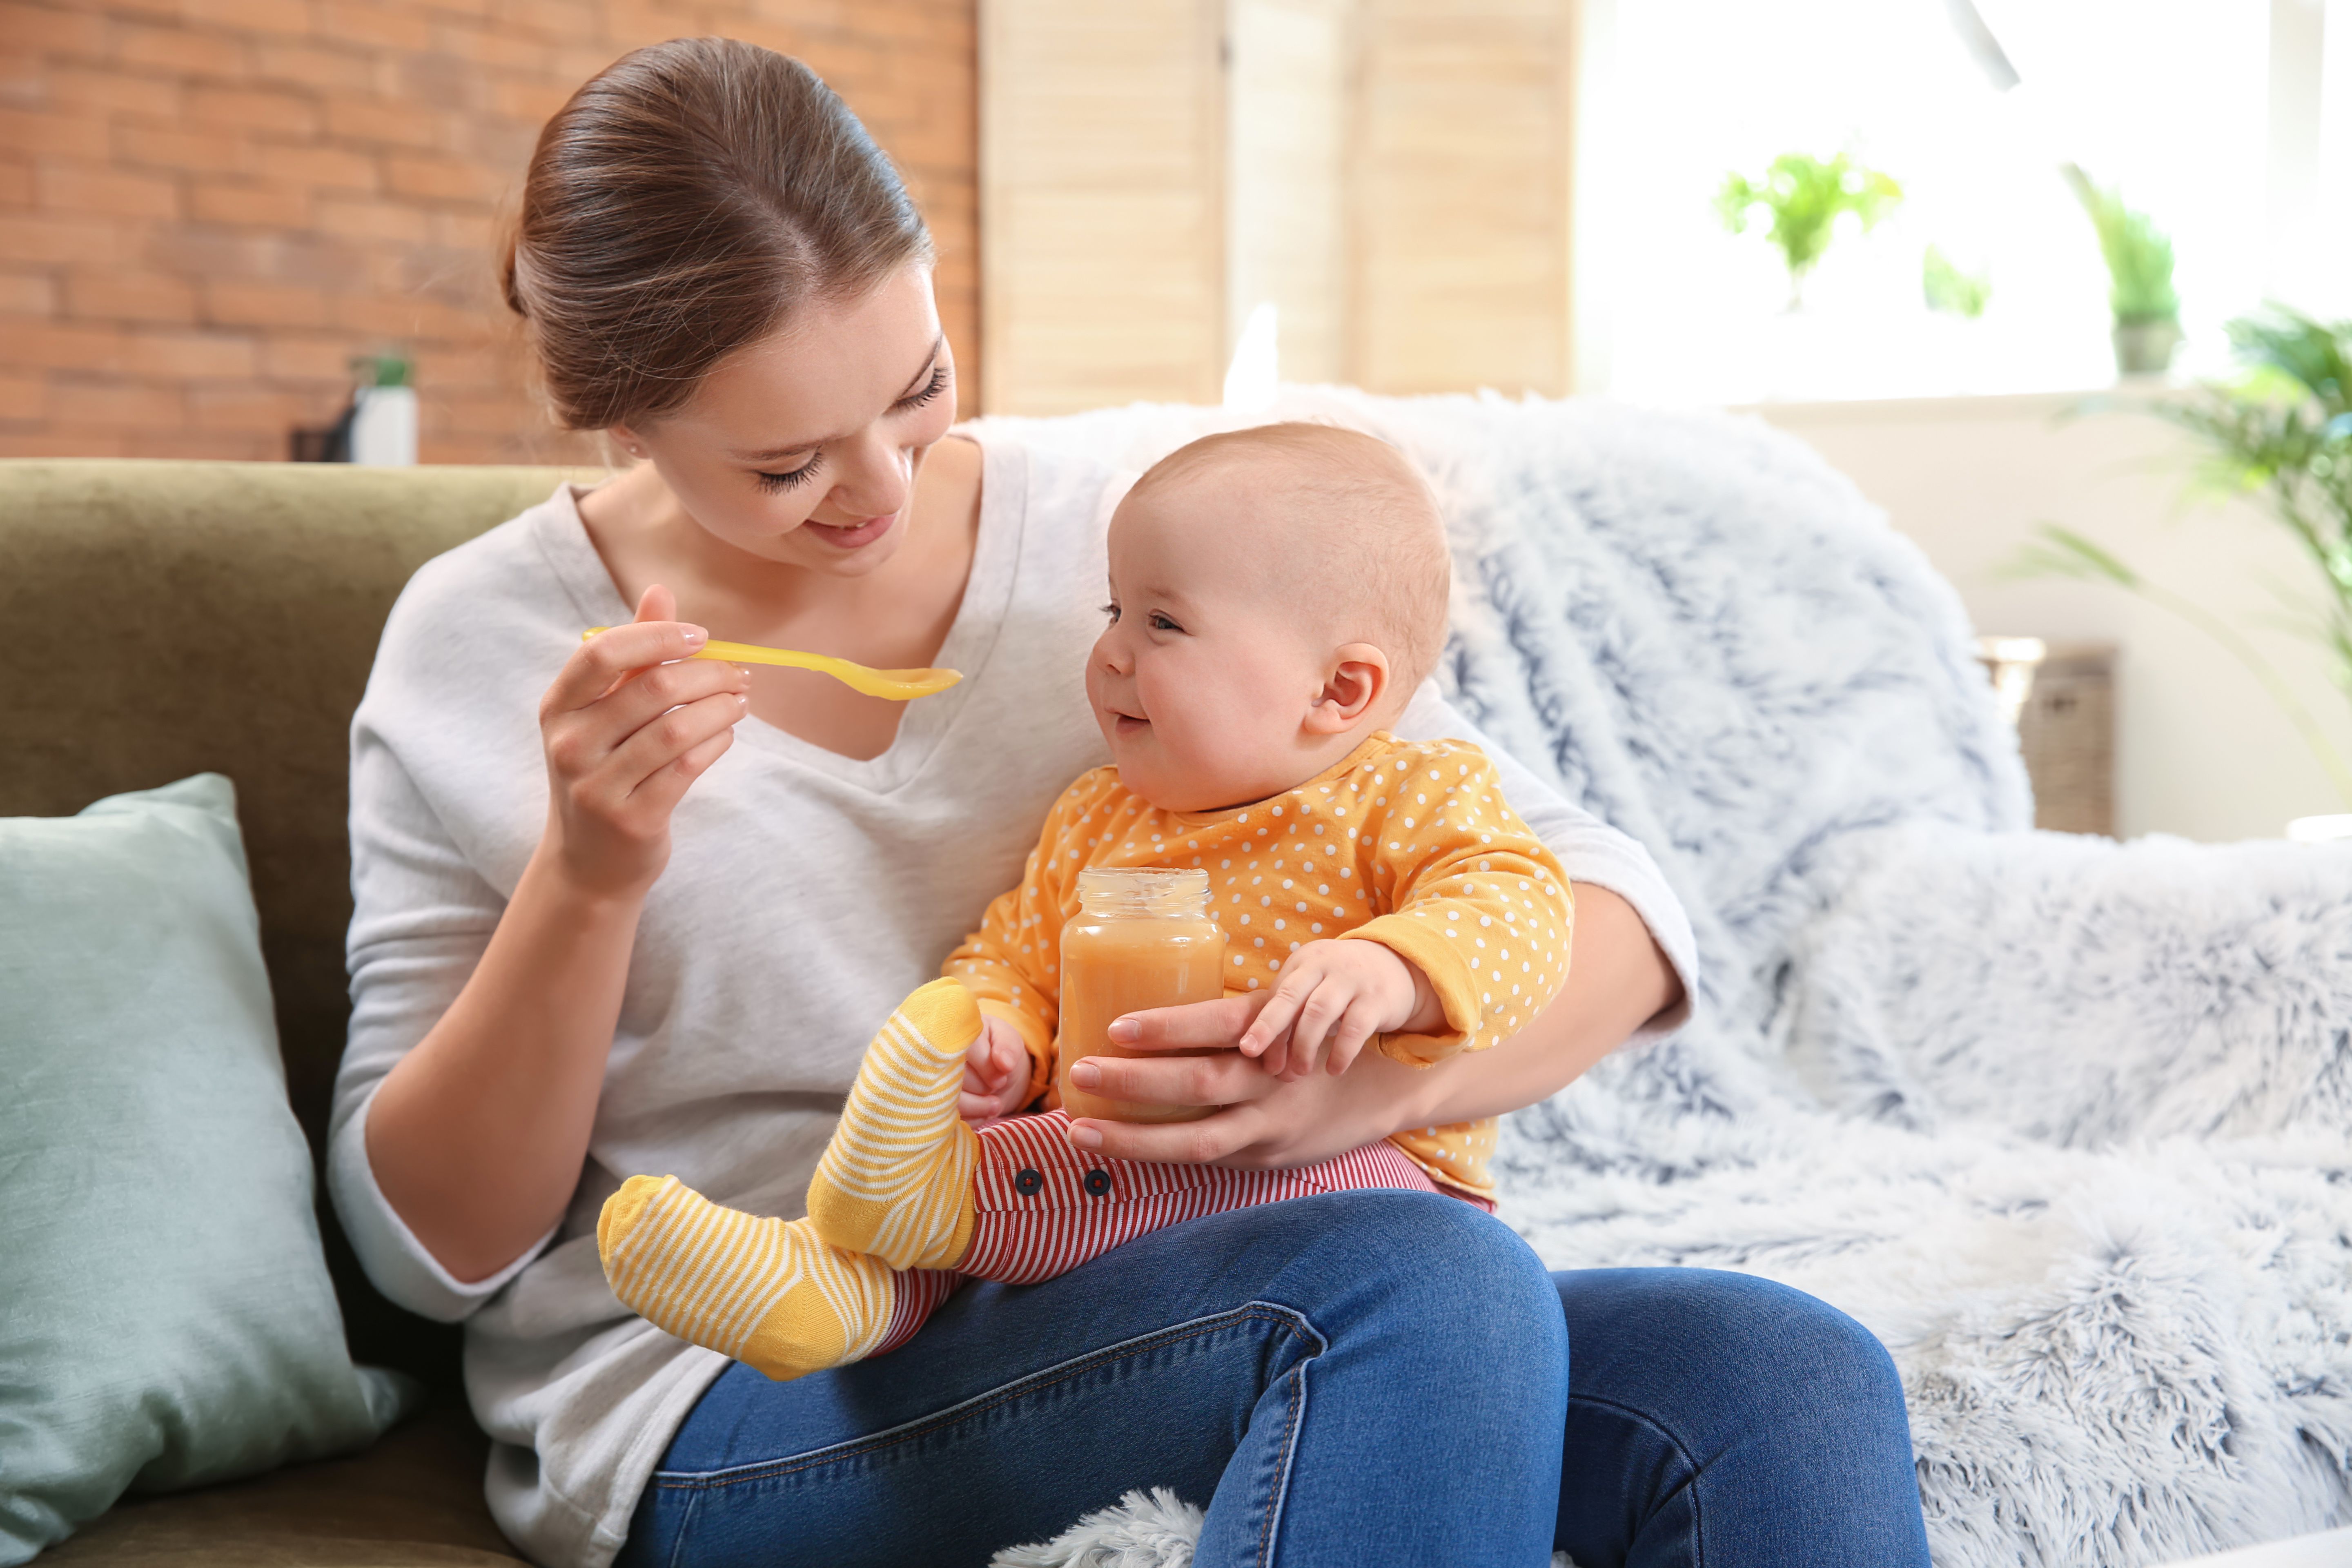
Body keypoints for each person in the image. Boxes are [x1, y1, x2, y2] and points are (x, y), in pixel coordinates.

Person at [327, 36, 1933, 1568]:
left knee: (1779, 1382)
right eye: (786, 465)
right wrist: (590, 879)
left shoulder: (1134, 549)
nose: (881, 491)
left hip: (1184, 1259)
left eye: (918, 389)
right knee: (1413, 1290)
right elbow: (432, 1249)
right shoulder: (485, 647)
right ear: (626, 419)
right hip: (755, 1378)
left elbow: (1607, 907)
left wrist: (1350, 1097)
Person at [595, 421, 1579, 1380]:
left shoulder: (1406, 796)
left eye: (1163, 623)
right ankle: (842, 1295)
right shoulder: (1099, 818)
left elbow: (1524, 907)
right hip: (1101, 1199)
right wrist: (998, 1030)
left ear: (1339, 692)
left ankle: (920, 1210)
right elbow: (1009, 953)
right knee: (1014, 1150)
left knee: (1010, 1177)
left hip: (1362, 1188)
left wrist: (1396, 967)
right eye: (1114, 613)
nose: (1111, 653)